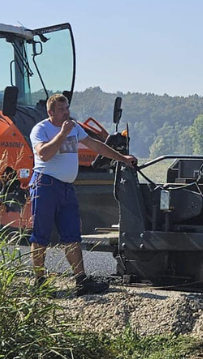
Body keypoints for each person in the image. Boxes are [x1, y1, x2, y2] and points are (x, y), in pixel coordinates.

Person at [30, 93, 137, 296]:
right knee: (41, 234)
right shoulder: (41, 129)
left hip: (67, 187)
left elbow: (95, 145)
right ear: (50, 112)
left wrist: (121, 158)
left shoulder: (74, 127)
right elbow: (43, 154)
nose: (66, 113)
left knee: (72, 234)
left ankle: (80, 280)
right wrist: (62, 134)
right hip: (45, 184)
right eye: (61, 109)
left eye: (67, 108)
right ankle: (40, 282)